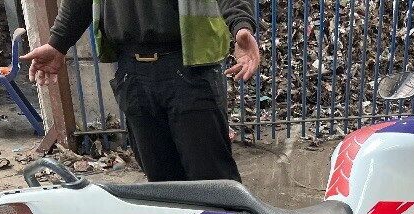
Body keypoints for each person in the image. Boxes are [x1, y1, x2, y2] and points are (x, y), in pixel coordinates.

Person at [20, 0, 260, 182]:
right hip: (132, 70)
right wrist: (58, 43)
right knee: (161, 183)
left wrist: (240, 23)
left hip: (189, 66)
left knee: (212, 180)